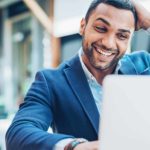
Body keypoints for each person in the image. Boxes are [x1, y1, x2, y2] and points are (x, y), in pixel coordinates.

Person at [6, 0, 150, 150]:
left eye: (122, 36)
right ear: (83, 26)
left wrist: (148, 21)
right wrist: (74, 146)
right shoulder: (50, 82)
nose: (108, 43)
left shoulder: (144, 64)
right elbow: (18, 133)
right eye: (101, 28)